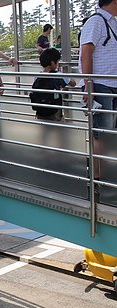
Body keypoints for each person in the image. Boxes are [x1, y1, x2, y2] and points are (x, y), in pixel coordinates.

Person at [79, 0, 117, 181]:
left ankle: (105, 173)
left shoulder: (112, 21)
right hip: (101, 84)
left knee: (108, 133)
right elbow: (86, 51)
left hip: (112, 85)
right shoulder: (96, 21)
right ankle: (97, 177)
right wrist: (88, 84)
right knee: (101, 133)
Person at [30, 48, 76, 121]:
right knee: (58, 128)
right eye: (57, 62)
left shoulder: (37, 76)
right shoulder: (58, 75)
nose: (58, 64)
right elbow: (73, 83)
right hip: (55, 111)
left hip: (40, 110)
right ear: (52, 63)